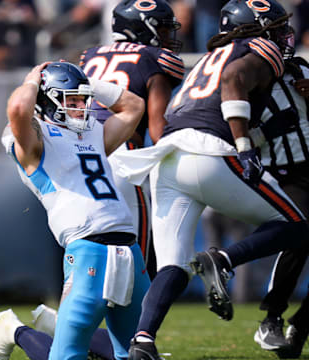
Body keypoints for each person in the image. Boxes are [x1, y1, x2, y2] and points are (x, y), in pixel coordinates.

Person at [110, 1, 309, 359]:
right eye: (276, 28)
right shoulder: (258, 50)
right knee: (296, 223)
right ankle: (224, 259)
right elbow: (234, 82)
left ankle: (142, 341)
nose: (283, 35)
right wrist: (246, 146)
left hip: (167, 157)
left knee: (173, 265)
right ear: (258, 29)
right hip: (207, 153)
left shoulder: (208, 58)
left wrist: (258, 134)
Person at [0, 61, 150, 360]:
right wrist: (33, 79)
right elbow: (19, 109)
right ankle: (15, 331)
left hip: (130, 250)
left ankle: (47, 325)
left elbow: (134, 106)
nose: (80, 107)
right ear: (46, 99)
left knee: (136, 352)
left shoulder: (93, 134)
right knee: (67, 356)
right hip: (88, 249)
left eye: (82, 100)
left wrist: (88, 83)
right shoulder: (33, 142)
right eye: (70, 100)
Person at [79, 0, 184, 278]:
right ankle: (141, 322)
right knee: (138, 257)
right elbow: (158, 129)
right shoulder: (153, 58)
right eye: (162, 29)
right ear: (144, 28)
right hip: (122, 157)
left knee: (90, 250)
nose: (167, 36)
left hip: (79, 155)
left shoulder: (89, 55)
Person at [251, 56, 309, 358]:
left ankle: (302, 324)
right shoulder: (243, 74)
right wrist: (268, 130)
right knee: (299, 232)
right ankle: (271, 317)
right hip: (282, 173)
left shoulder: (301, 68)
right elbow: (234, 136)